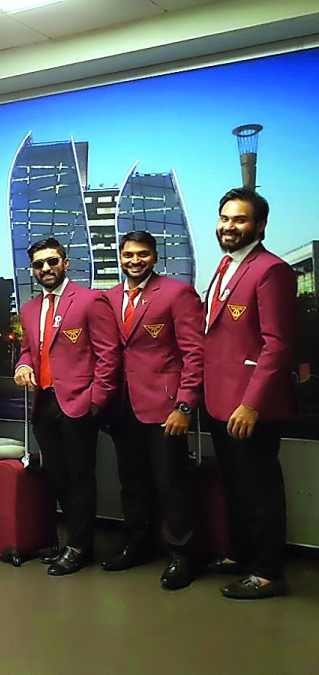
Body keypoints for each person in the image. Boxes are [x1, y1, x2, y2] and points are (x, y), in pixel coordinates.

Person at [202, 188, 296, 600]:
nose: (228, 226)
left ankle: (268, 572)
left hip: (248, 405)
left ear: (259, 225)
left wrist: (251, 403)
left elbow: (277, 344)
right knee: (236, 485)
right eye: (225, 218)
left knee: (259, 490)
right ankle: (240, 554)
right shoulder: (225, 266)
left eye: (239, 219)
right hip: (219, 401)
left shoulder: (270, 270)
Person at [102, 231, 204, 590]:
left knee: (172, 483)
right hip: (122, 406)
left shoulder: (177, 293)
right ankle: (137, 544)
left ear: (155, 256)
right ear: (120, 256)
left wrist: (184, 405)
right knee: (132, 483)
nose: (134, 261)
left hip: (165, 407)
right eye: (128, 254)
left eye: (142, 255)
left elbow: (194, 354)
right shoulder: (110, 298)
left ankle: (181, 555)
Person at [13, 238, 121, 576]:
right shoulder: (29, 308)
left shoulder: (90, 300)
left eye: (51, 261)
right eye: (39, 264)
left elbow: (109, 355)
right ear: (32, 269)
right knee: (57, 476)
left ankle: (78, 547)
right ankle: (74, 541)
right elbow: (29, 350)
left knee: (79, 478)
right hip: (44, 403)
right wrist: (22, 366)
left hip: (78, 404)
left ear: (65, 263)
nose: (46, 268)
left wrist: (96, 400)